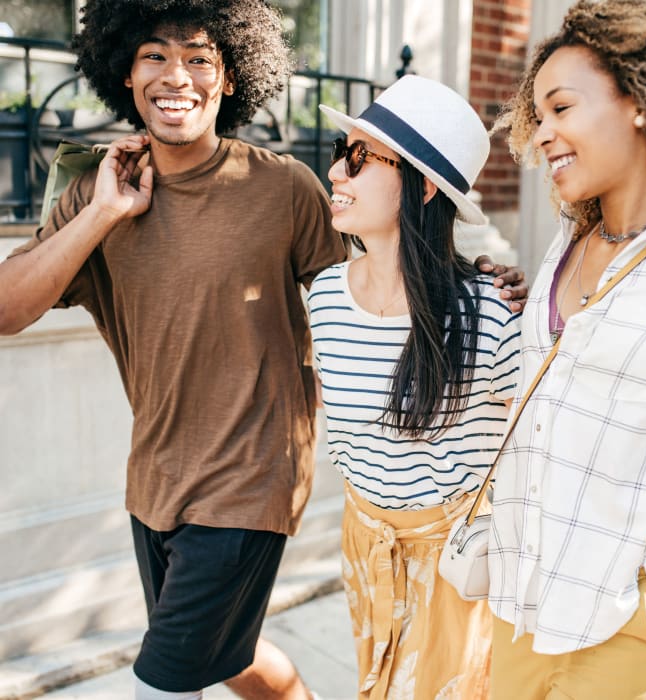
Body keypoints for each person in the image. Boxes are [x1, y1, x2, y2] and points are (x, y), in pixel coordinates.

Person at [0, 1, 346, 698]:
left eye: (199, 58)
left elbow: (363, 296)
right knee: (229, 654)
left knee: (160, 683)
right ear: (125, 75)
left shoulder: (283, 188)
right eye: (154, 55)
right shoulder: (96, 189)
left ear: (228, 79)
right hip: (156, 477)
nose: (176, 76)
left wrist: (468, 288)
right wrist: (102, 212)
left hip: (253, 479)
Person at [484, 1, 646, 698]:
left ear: (638, 100)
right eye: (537, 117)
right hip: (522, 603)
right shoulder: (562, 252)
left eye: (561, 108)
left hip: (627, 619)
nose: (543, 134)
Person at [307, 75, 523, 699]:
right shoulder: (324, 295)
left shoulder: (490, 312)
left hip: (453, 562)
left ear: (424, 184)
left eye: (359, 157)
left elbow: (540, 445)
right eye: (340, 152)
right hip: (364, 543)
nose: (336, 173)